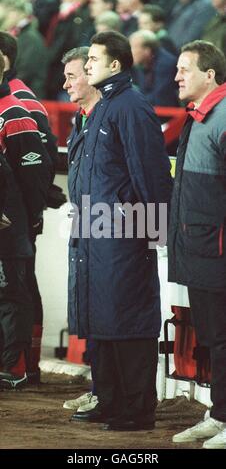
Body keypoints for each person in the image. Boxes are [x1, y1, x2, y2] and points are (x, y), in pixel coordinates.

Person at [70, 30, 172, 431]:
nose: (87, 65)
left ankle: (136, 409)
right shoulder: (102, 109)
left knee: (127, 319)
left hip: (123, 237)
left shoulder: (130, 107)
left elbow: (151, 174)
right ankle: (111, 401)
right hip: (95, 233)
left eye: (93, 59)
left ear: (115, 65)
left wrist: (155, 235)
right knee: (103, 319)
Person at [167, 40, 226, 449]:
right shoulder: (200, 116)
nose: (176, 77)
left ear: (210, 74)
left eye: (185, 69)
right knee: (214, 338)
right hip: (202, 252)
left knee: (223, 338)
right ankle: (220, 414)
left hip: (217, 253)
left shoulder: (222, 116)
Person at [0, 31, 66, 384]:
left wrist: (28, 215)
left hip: (16, 219)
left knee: (18, 287)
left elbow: (38, 165)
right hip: (15, 216)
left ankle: (24, 365)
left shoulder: (21, 101)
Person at [61, 46, 101, 413]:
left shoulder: (117, 114)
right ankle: (99, 388)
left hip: (112, 231)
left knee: (107, 313)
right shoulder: (82, 118)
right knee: (89, 310)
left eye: (74, 75)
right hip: (86, 224)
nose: (66, 83)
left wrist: (152, 234)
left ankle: (109, 393)